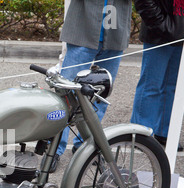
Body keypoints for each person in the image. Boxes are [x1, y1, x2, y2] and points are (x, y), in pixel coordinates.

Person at [49, 0, 132, 173]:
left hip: (115, 32)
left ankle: (86, 145)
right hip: (82, 29)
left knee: (101, 94)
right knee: (66, 92)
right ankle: (54, 149)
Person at [131, 0, 184, 151]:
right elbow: (144, 2)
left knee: (173, 87)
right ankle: (141, 133)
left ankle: (166, 132)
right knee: (151, 85)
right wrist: (162, 26)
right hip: (158, 33)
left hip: (181, 33)